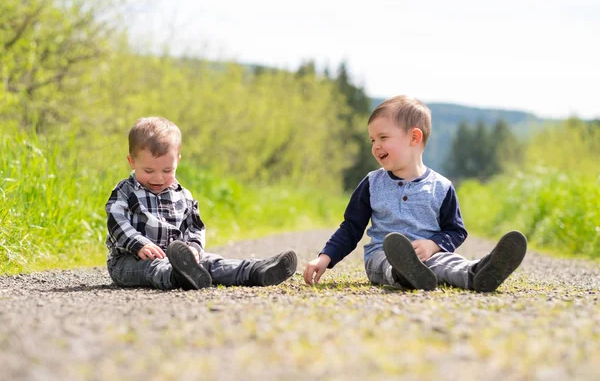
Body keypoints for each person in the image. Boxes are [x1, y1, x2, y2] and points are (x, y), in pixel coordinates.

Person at [303, 95, 527, 292]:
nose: (375, 146)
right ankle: (404, 274)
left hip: (428, 256)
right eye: (372, 140)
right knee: (386, 262)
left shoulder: (442, 186)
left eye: (383, 137)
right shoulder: (372, 183)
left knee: (447, 262)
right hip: (381, 256)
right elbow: (351, 228)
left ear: (414, 138)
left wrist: (432, 245)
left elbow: (455, 230)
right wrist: (325, 258)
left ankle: (478, 273)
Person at [105, 117, 298, 290]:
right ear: (131, 161)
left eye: (167, 170)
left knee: (212, 262)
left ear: (177, 162)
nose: (158, 178)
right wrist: (139, 244)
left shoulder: (183, 195)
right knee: (153, 268)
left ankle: (255, 271)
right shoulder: (125, 191)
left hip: (177, 259)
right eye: (148, 171)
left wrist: (193, 249)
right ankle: (178, 276)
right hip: (129, 261)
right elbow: (116, 221)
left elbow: (195, 227)